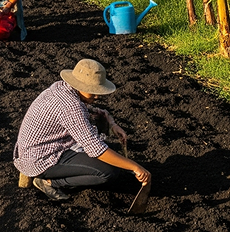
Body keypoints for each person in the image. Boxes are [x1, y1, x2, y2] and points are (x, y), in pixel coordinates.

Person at [14, 59, 151, 201]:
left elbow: (93, 111)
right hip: (40, 158)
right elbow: (96, 149)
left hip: (36, 147)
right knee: (108, 172)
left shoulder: (61, 88)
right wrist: (135, 167)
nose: (97, 96)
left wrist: (112, 124)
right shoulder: (70, 107)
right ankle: (50, 182)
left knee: (108, 151)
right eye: (93, 91)